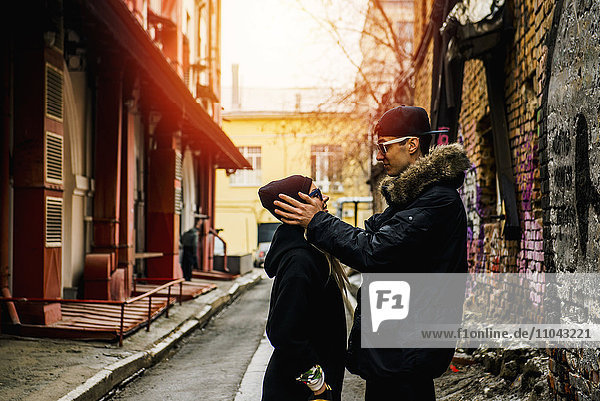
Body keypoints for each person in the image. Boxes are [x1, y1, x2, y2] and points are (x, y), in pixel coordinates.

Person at [273, 106, 471, 400]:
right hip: (396, 351)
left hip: (407, 353)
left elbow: (375, 251)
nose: (379, 156)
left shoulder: (437, 202)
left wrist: (318, 221)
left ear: (412, 144)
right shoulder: (413, 200)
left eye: (385, 146)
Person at [258, 175, 348, 401]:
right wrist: (319, 386)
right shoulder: (300, 260)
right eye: (316, 194)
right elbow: (284, 333)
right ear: (298, 206)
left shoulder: (312, 251)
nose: (325, 197)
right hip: (300, 392)